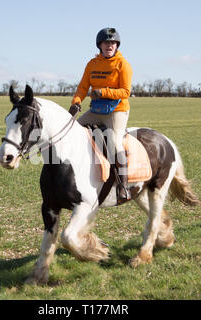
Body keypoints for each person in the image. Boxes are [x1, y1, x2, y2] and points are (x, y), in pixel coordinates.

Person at [69, 27, 133, 202]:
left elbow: (125, 92)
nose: (109, 46)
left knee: (114, 142)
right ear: (100, 45)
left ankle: (123, 185)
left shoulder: (123, 64)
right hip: (97, 110)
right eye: (106, 43)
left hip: (117, 111)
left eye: (112, 43)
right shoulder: (92, 64)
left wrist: (103, 92)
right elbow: (83, 87)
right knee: (73, 130)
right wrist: (76, 102)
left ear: (117, 45)